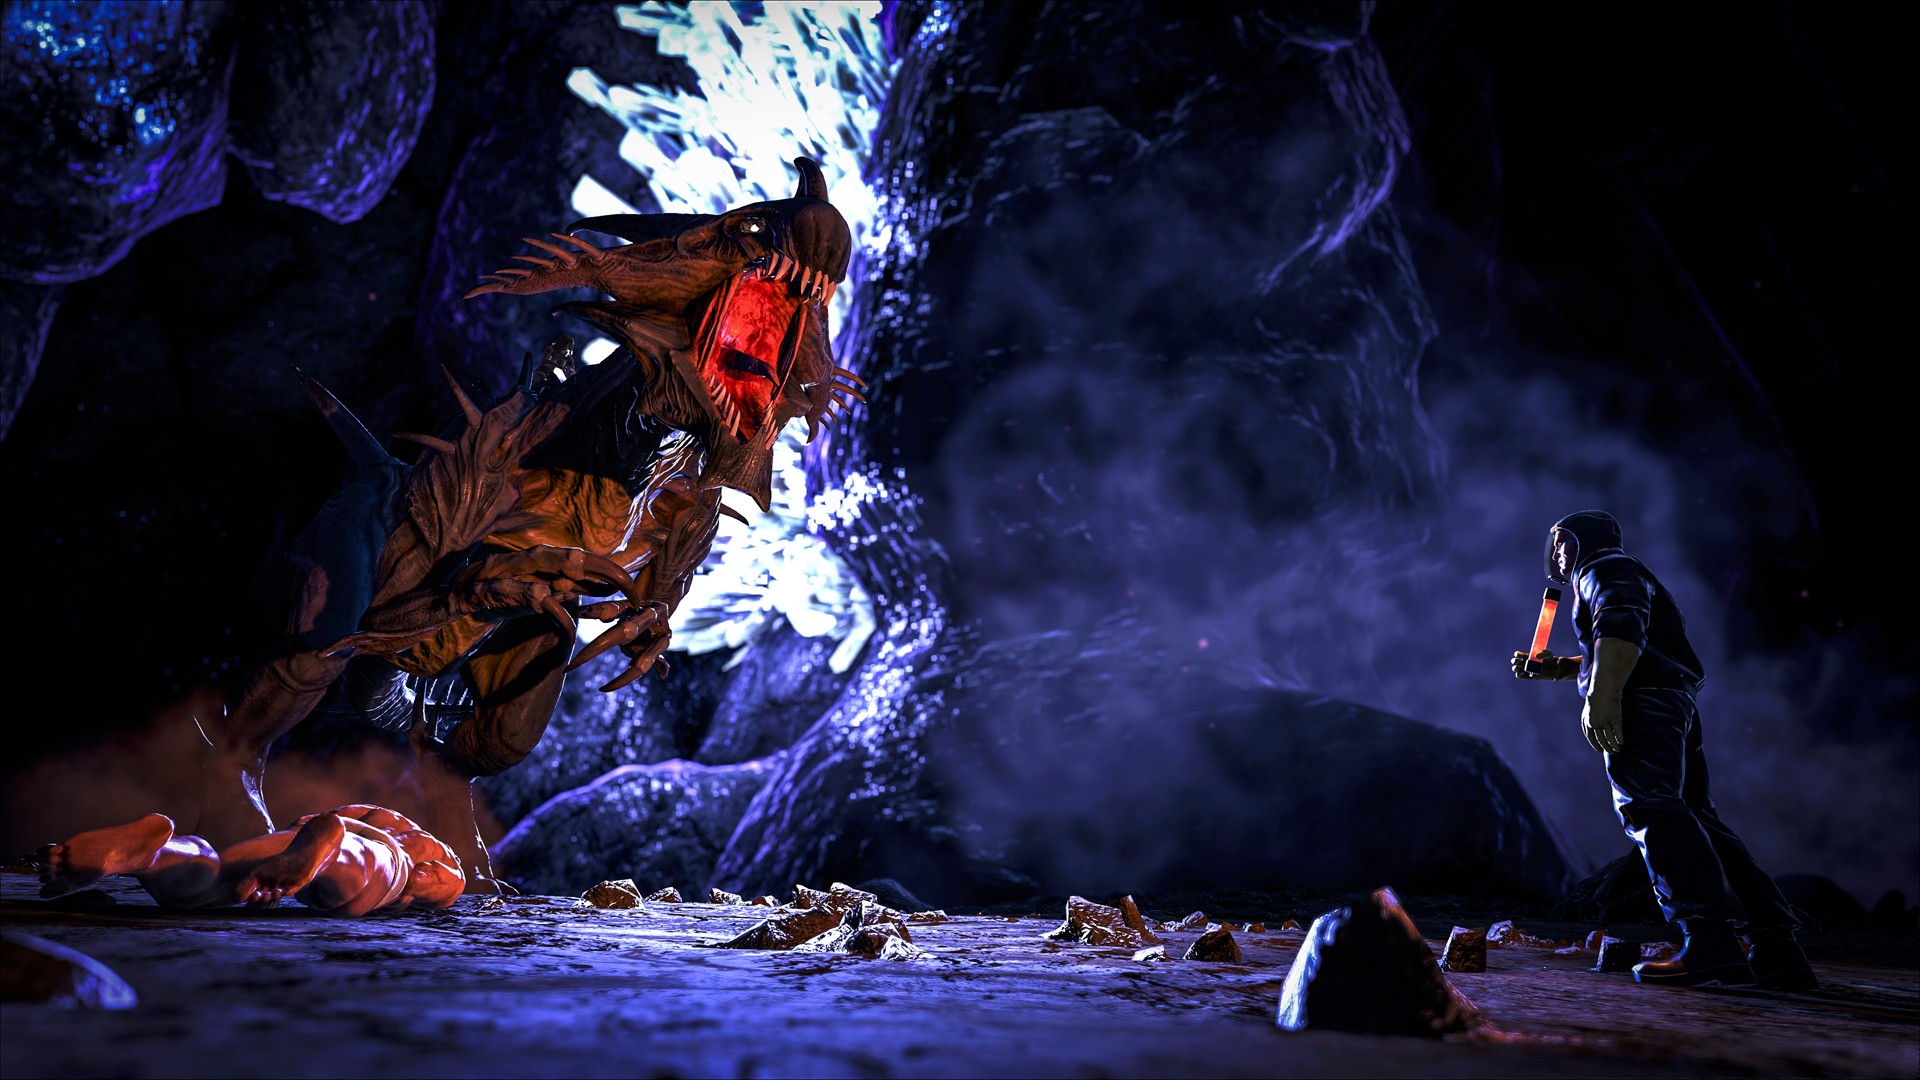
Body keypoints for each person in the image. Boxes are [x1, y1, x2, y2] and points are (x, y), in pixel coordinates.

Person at [1511, 510, 1816, 990]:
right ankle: (1776, 947)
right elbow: (1638, 646)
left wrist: (1602, 695)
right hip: (1671, 701)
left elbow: (1621, 629)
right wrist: (1564, 669)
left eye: (1562, 542)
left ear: (1581, 540)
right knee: (1695, 815)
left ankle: (1709, 942)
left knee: (1652, 810)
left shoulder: (1604, 568)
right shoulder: (1624, 572)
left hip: (1644, 705)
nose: (1556, 554)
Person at [38, 804, 463, 916]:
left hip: (322, 836)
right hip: (373, 859)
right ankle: (326, 849)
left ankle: (150, 855)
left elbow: (309, 820)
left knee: (212, 880)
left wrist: (307, 837)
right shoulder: (429, 854)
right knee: (379, 873)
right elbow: (433, 882)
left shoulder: (385, 816)